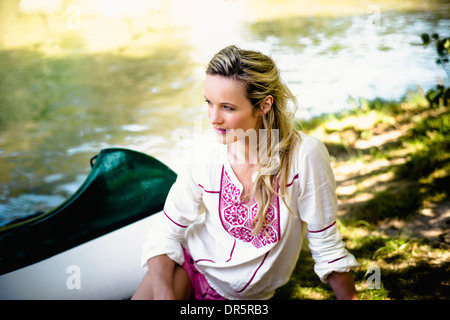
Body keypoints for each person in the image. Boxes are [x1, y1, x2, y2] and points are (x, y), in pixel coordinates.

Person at [132, 45, 359, 300]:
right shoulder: (205, 154)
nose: (213, 118)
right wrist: (164, 294)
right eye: (209, 103)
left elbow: (326, 245)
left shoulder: (304, 156)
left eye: (227, 107)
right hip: (187, 267)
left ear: (264, 105)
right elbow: (166, 231)